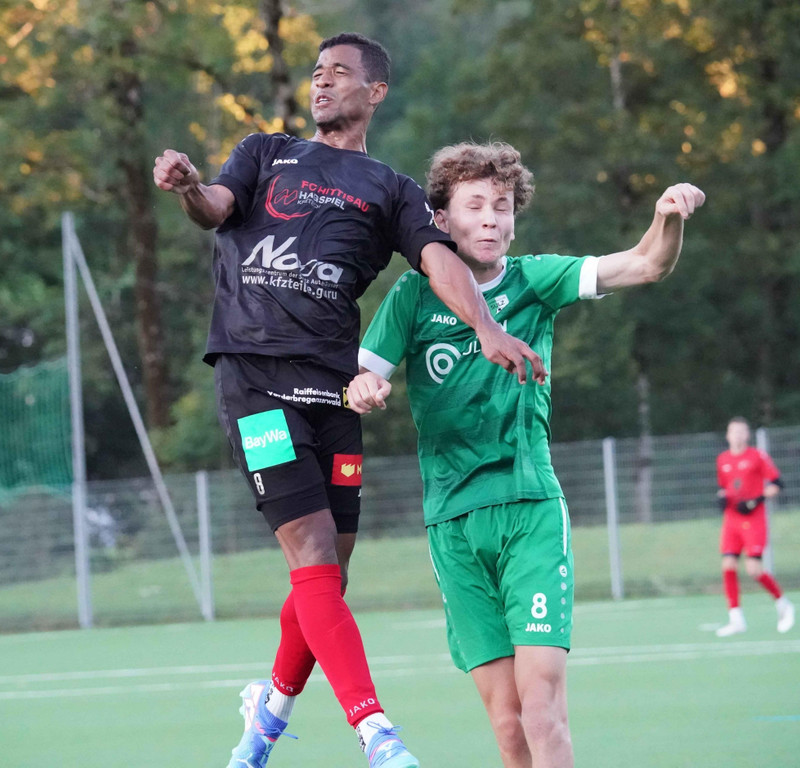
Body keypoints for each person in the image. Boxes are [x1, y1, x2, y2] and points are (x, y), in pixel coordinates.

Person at [153, 34, 546, 768]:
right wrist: (187, 187)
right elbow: (213, 207)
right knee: (310, 553)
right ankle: (377, 734)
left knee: (330, 569)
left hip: (332, 387)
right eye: (316, 72)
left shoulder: (389, 188)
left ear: (376, 92)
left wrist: (485, 326)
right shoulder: (266, 153)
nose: (322, 81)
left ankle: (266, 717)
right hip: (255, 380)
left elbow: (437, 260)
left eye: (339, 72)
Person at [347, 141, 706, 768]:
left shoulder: (534, 280)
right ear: (442, 219)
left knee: (541, 710)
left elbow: (647, 264)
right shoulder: (411, 296)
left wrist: (666, 217)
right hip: (453, 524)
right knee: (509, 725)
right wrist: (364, 389)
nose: (491, 219)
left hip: (529, 510)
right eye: (475, 206)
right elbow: (361, 376)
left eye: (503, 206)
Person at [714, 416, 795, 637]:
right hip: (731, 521)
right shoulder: (722, 459)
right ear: (727, 435)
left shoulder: (757, 456)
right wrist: (721, 497)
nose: (738, 436)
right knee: (728, 564)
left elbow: (777, 484)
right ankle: (736, 618)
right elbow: (724, 487)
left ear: (747, 435)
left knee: (753, 569)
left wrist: (754, 501)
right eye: (734, 431)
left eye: (742, 431)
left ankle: (783, 603)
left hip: (753, 520)